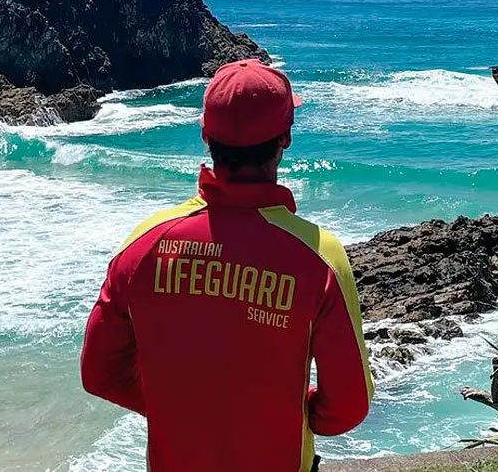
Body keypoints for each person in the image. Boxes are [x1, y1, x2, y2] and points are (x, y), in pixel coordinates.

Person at [80, 59, 374, 472]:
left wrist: (184, 411)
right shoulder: (320, 257)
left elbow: (100, 374)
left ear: (205, 135)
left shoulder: (144, 244)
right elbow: (347, 408)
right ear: (285, 137)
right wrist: (284, 412)